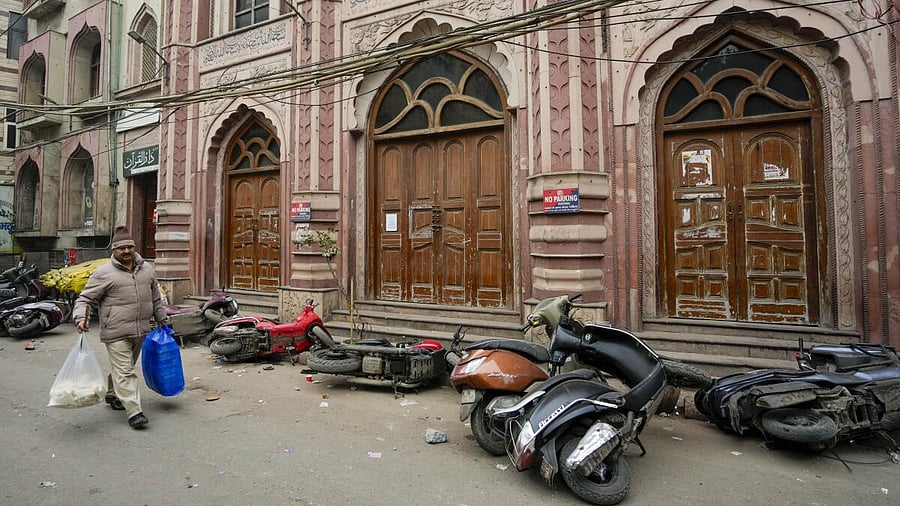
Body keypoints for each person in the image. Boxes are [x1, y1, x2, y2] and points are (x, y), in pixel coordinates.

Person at [72, 226, 167, 429]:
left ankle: (112, 392)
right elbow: (85, 299)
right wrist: (81, 318)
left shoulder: (147, 269)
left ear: (134, 248)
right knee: (125, 371)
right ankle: (135, 412)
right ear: (113, 251)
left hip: (141, 329)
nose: (126, 251)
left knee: (124, 367)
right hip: (115, 331)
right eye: (120, 248)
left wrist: (162, 319)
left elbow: (156, 298)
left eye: (129, 247)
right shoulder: (103, 273)